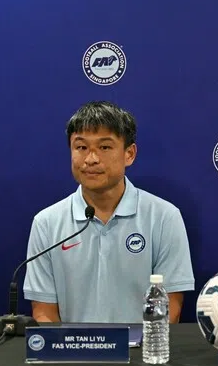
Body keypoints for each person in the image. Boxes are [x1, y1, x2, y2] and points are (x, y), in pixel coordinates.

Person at [24, 101, 195, 324]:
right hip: (72, 354)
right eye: (81, 147)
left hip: (141, 354)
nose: (91, 159)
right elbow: (44, 311)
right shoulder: (46, 223)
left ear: (129, 154)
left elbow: (170, 305)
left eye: (104, 147)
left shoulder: (163, 217)